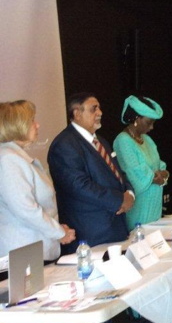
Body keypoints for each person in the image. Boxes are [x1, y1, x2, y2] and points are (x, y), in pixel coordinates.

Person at [48, 93, 134, 255]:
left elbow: (119, 173)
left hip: (114, 228)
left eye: (99, 108)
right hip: (90, 235)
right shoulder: (64, 144)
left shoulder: (101, 141)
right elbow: (79, 185)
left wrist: (129, 193)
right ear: (77, 113)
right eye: (94, 109)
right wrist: (119, 200)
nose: (100, 112)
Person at [0, 100, 76, 264]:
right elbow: (26, 209)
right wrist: (59, 232)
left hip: (33, 250)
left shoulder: (14, 156)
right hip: (23, 254)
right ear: (16, 125)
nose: (37, 125)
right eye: (32, 121)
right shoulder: (9, 159)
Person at [114, 96, 168, 230]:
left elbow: (161, 167)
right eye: (149, 122)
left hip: (154, 205)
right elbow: (135, 174)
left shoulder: (147, 139)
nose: (152, 127)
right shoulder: (123, 140)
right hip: (139, 206)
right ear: (136, 119)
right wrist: (157, 176)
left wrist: (161, 175)